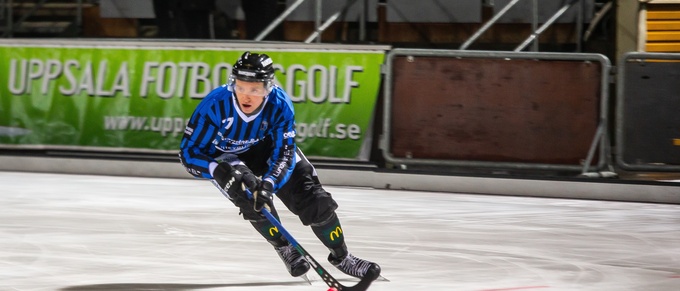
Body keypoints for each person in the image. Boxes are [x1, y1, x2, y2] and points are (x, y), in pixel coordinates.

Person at [178, 52, 381, 280]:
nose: (246, 96)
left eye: (255, 90)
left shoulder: (280, 105)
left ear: (267, 87)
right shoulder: (215, 105)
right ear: (233, 83)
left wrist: (269, 183)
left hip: (267, 151)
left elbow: (284, 151)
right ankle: (284, 247)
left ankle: (343, 257)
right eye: (241, 87)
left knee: (314, 199)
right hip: (228, 157)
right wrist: (218, 171)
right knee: (251, 202)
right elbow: (188, 153)